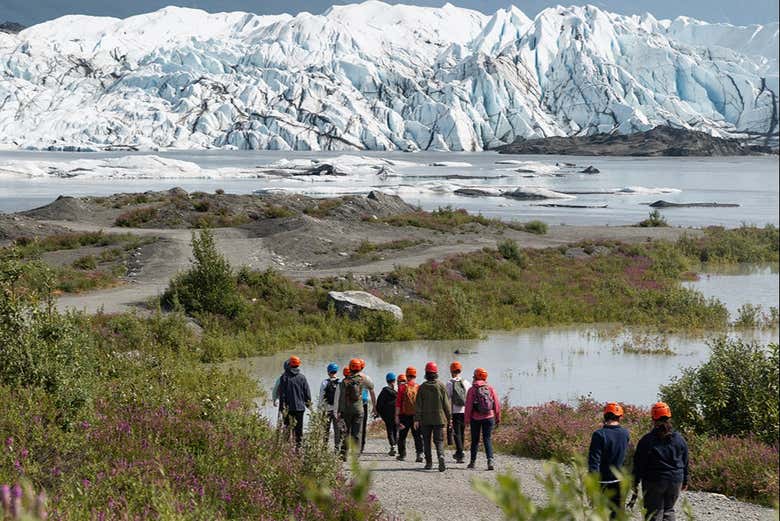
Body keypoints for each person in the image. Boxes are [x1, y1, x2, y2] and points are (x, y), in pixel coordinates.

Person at [632, 402, 689, 521]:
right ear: (669, 417)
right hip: (676, 480)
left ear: (653, 418)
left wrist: (635, 481)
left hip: (654, 480)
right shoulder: (679, 439)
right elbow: (685, 461)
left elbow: (639, 463)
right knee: (669, 510)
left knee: (654, 512)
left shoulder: (646, 440)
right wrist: (685, 480)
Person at [588, 402, 630, 518]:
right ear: (620, 417)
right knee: (617, 515)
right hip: (618, 480)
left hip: (602, 482)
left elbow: (594, 461)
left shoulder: (599, 434)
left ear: (605, 416)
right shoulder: (625, 433)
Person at [336, 358, 376, 459]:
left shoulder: (344, 381)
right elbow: (372, 386)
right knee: (357, 432)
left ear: (350, 367)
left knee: (345, 432)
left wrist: (339, 411)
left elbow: (341, 398)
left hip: (346, 410)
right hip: (359, 410)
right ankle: (355, 454)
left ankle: (343, 454)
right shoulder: (363, 379)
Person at [414, 361, 452, 472]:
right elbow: (446, 404)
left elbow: (418, 405)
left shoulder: (422, 387)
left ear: (426, 373)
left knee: (426, 441)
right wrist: (449, 418)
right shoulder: (441, 386)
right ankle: (441, 456)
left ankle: (429, 463)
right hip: (439, 418)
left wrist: (416, 419)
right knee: (439, 441)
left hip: (425, 419)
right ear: (436, 373)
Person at [465, 367, 500, 470]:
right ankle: (490, 461)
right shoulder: (490, 388)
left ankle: (472, 462)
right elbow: (496, 405)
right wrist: (498, 418)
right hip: (489, 417)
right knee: (487, 439)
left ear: (475, 377)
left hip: (475, 418)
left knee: (475, 440)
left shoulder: (472, 389)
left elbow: (468, 406)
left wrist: (466, 420)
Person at [277, 355, 312, 449]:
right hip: (300, 408)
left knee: (287, 429)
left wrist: (281, 408)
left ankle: (286, 449)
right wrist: (309, 405)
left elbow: (282, 395)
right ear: (298, 365)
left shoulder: (284, 378)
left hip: (288, 408)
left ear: (289, 364)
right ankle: (298, 449)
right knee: (299, 430)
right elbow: (307, 393)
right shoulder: (302, 378)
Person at [395, 366, 424, 463]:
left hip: (404, 416)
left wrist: (397, 416)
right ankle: (419, 453)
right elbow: (421, 403)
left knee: (402, 436)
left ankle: (402, 455)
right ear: (415, 375)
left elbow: (398, 403)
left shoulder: (402, 387)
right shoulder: (418, 387)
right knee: (417, 436)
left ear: (406, 375)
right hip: (415, 416)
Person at [445, 361, 471, 463]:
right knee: (462, 432)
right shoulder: (466, 382)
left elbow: (447, 398)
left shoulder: (449, 383)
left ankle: (460, 453)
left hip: (455, 412)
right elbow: (469, 397)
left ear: (451, 371)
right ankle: (460, 452)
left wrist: (447, 413)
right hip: (465, 411)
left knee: (457, 433)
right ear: (460, 370)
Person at [318, 362, 341, 451]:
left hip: (326, 410)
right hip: (337, 411)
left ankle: (324, 447)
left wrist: (319, 410)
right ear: (336, 371)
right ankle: (337, 448)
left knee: (325, 430)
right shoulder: (340, 382)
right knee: (337, 430)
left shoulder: (324, 383)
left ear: (328, 372)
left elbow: (321, 397)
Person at [376, 372, 399, 456]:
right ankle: (396, 445)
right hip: (397, 414)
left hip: (387, 415)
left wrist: (380, 413)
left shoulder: (384, 391)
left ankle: (392, 446)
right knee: (396, 429)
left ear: (387, 381)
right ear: (395, 380)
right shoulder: (398, 390)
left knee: (390, 430)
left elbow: (379, 404)